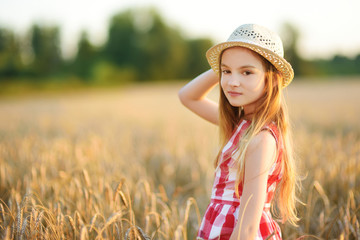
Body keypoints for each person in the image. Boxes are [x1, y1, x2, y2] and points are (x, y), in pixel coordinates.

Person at [178, 24, 299, 240]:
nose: (233, 82)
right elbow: (187, 96)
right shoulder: (240, 124)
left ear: (271, 78)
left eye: (247, 72)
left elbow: (247, 229)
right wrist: (224, 64)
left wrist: (228, 65)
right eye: (227, 72)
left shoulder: (261, 139)